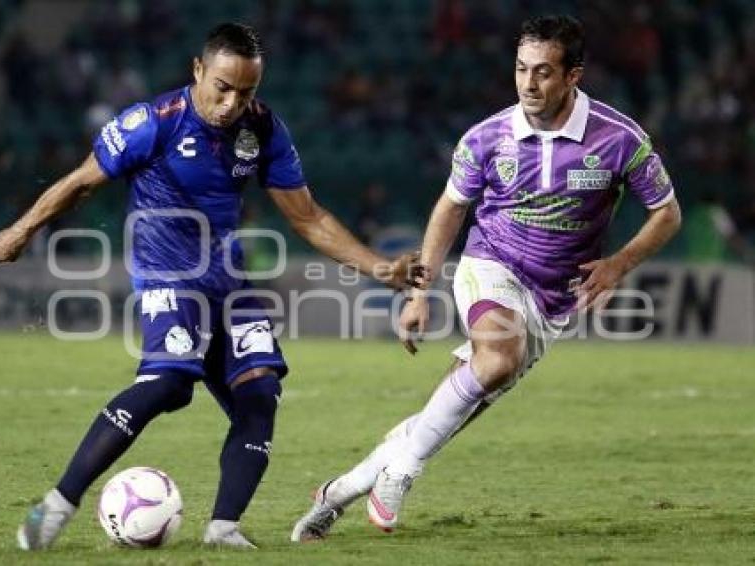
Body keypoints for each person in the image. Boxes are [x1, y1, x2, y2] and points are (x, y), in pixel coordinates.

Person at [0, 23, 422, 550]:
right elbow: (80, 182)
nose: (232, 103)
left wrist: (382, 269)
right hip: (166, 275)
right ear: (198, 70)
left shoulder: (262, 130)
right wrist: (22, 230)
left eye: (247, 91)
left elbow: (307, 219)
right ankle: (56, 507)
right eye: (222, 86)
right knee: (169, 384)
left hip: (228, 282)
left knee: (260, 392)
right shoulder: (152, 123)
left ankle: (222, 529)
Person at [291, 14, 682, 541]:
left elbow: (668, 212)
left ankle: (340, 490)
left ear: (574, 76)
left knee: (455, 408)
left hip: (551, 300)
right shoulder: (487, 138)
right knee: (498, 357)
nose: (528, 83)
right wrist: (420, 291)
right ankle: (402, 474)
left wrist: (618, 264)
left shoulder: (618, 140)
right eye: (521, 69)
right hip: (490, 263)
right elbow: (451, 208)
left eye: (543, 72)